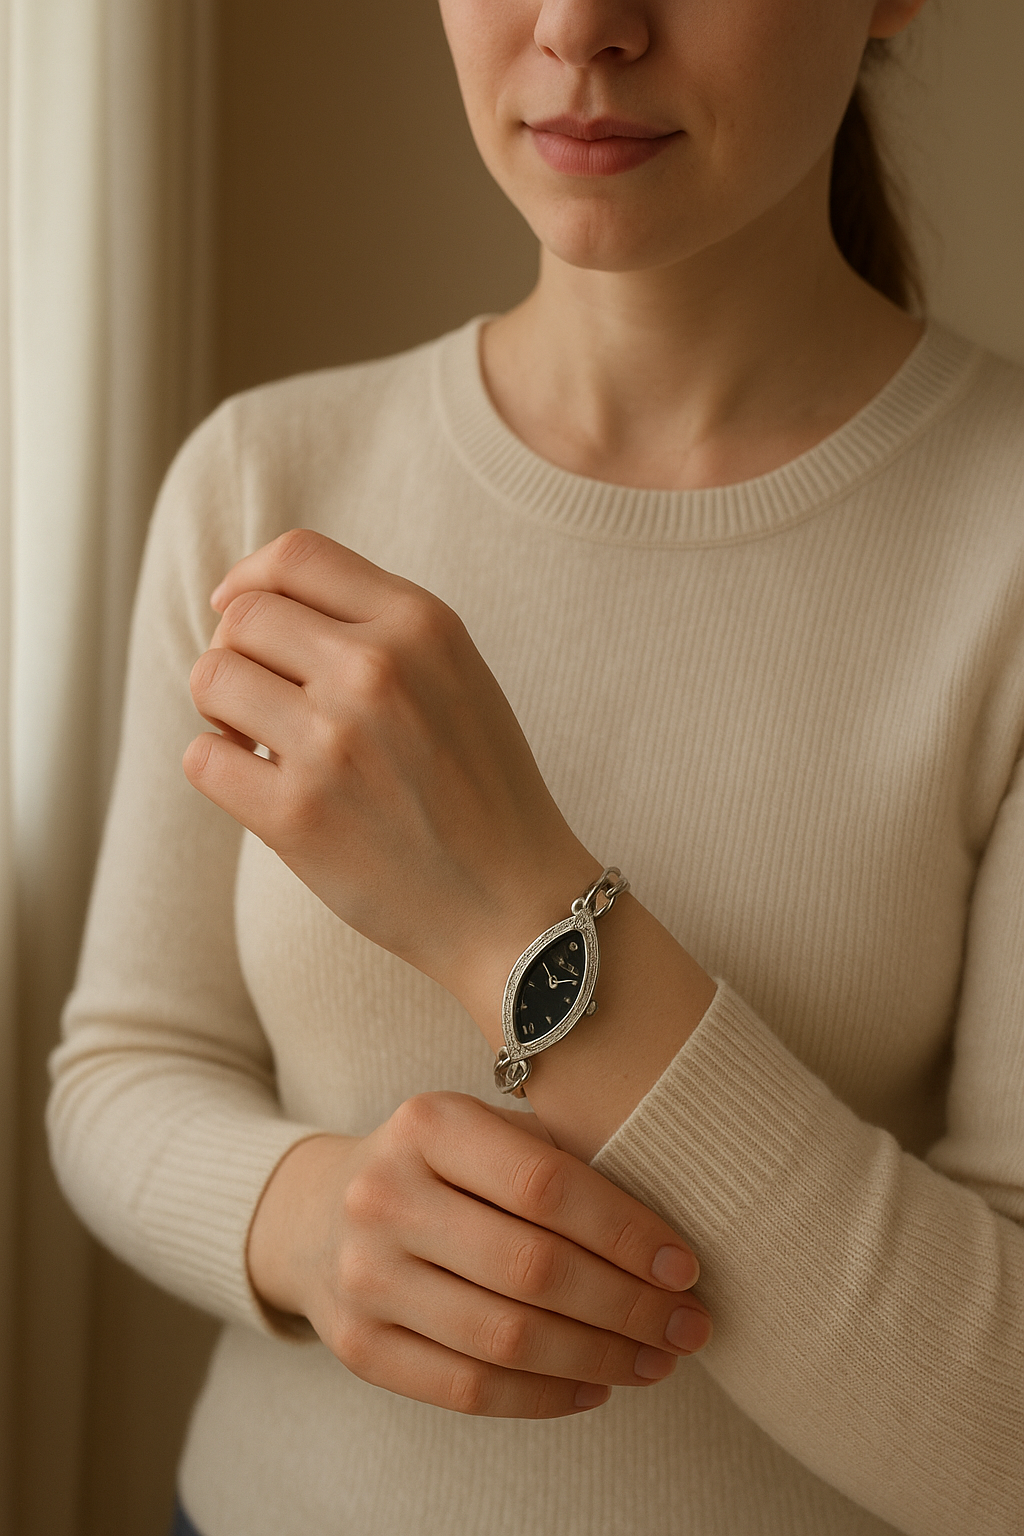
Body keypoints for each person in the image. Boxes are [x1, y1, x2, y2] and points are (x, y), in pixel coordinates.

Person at [47, 1, 1024, 1533]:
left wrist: (511, 909)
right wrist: (302, 1225)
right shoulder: (265, 478)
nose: (581, 25)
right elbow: (122, 1062)